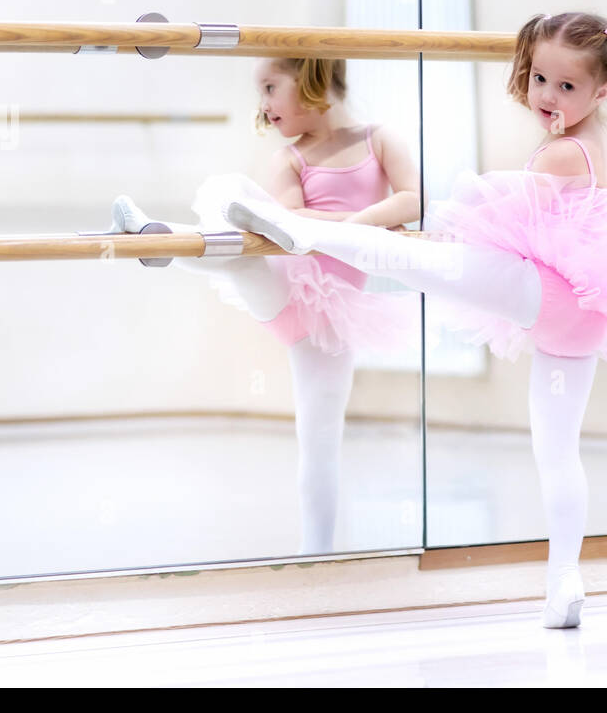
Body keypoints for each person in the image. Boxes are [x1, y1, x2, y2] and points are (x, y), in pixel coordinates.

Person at [214, 11, 607, 627]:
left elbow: (494, 204)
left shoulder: (565, 152)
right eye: (539, 79)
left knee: (411, 258)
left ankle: (299, 230)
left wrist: (454, 209)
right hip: (577, 319)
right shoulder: (588, 141)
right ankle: (564, 581)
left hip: (551, 294)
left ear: (604, 91)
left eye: (567, 87)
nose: (546, 97)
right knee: (557, 453)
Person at [109, 57, 423, 556]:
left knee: (319, 440)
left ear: (310, 78)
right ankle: (157, 235)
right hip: (287, 286)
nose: (264, 105)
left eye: (271, 87)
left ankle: (316, 553)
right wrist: (347, 227)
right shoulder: (289, 160)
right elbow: (293, 226)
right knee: (245, 255)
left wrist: (348, 225)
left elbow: (413, 201)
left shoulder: (378, 139)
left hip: (332, 319)